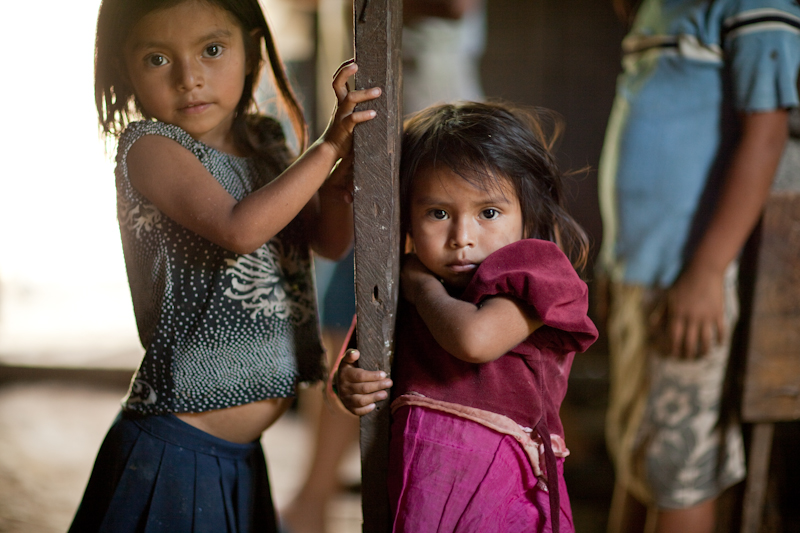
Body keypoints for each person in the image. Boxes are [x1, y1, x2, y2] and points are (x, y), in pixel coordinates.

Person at [69, 0, 381, 530]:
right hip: (174, 451)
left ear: (252, 48)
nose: (190, 78)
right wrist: (328, 147)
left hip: (242, 457)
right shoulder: (150, 148)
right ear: (125, 69)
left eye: (212, 50)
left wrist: (340, 176)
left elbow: (326, 242)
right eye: (157, 59)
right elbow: (240, 229)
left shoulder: (266, 140)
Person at [336, 101, 599, 532]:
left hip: (501, 485)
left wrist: (420, 286)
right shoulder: (399, 285)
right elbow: (356, 365)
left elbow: (474, 341)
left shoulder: (533, 270)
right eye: (438, 213)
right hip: (421, 484)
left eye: (488, 213)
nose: (462, 238)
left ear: (527, 214)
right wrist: (349, 386)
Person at [597, 1, 800, 532]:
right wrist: (615, 262)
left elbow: (768, 132)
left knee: (678, 473)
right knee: (638, 455)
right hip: (641, 273)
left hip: (689, 279)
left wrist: (708, 271)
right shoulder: (657, 9)